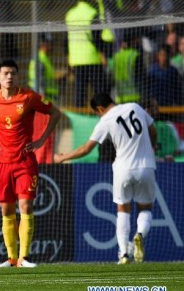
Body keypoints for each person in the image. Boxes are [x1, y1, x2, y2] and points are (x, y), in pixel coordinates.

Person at [0, 59, 61, 268]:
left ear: (17, 76)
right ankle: (11, 258)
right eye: (5, 73)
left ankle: (25, 257)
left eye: (13, 73)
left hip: (25, 161)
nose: (9, 76)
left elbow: (55, 112)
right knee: (6, 210)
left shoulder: (29, 97)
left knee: (26, 205)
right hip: (2, 162)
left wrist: (42, 140)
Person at [54, 92, 157, 264]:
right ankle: (139, 234)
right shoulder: (135, 107)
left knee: (123, 210)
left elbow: (86, 148)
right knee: (145, 207)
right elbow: (152, 130)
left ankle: (124, 253)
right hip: (146, 166)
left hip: (123, 169)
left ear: (100, 109)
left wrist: (63, 157)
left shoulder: (106, 120)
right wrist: (152, 148)